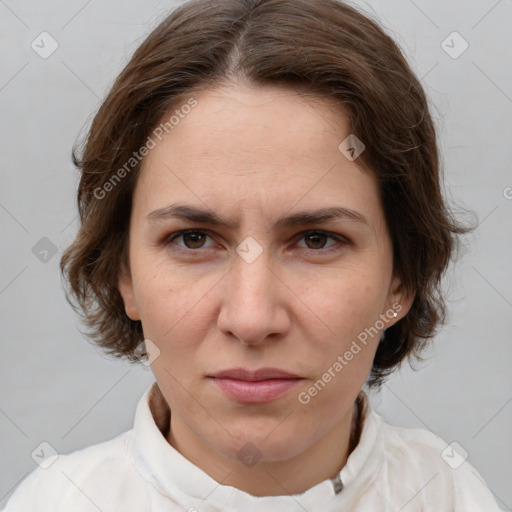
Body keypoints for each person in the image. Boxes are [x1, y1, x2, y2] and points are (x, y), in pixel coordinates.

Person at [3, 0, 503, 510]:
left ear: (401, 278)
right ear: (123, 273)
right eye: (193, 238)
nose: (251, 318)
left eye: (316, 239)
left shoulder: (454, 496)